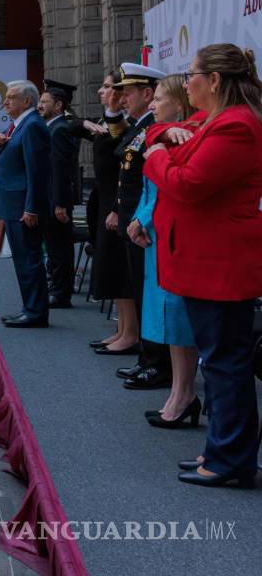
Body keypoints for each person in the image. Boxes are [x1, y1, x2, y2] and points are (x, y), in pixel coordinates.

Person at [144, 44, 262, 488]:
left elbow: (188, 184)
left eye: (191, 73)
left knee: (225, 363)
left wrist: (158, 157)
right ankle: (224, 451)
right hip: (205, 262)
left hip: (220, 265)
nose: (185, 80)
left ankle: (231, 460)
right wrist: (161, 142)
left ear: (214, 81)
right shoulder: (211, 122)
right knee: (220, 361)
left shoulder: (235, 126)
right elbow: (158, 132)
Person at [127, 74, 201, 428]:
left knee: (178, 317)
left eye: (159, 99)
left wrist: (142, 219)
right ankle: (179, 392)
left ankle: (184, 393)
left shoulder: (184, 136)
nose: (153, 105)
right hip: (155, 231)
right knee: (169, 319)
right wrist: (139, 218)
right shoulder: (163, 134)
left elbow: (165, 189)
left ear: (179, 103)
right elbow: (148, 187)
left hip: (167, 234)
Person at [109, 63, 171, 390]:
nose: (121, 99)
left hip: (145, 223)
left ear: (148, 94)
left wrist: (137, 218)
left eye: (127, 93)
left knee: (150, 295)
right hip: (136, 220)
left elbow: (152, 183)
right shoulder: (140, 127)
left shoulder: (156, 129)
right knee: (140, 290)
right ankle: (148, 358)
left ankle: (157, 362)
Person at [0, 80, 51, 328]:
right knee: (22, 260)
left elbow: (37, 172)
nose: (5, 102)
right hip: (12, 204)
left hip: (23, 207)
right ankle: (29, 308)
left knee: (29, 260)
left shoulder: (32, 125)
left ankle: (35, 312)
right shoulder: (18, 125)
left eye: (11, 97)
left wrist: (31, 207)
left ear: (26, 101)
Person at [83, 73, 140, 356]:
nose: (103, 91)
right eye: (106, 86)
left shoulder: (123, 123)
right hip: (104, 199)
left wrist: (117, 208)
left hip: (116, 204)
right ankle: (122, 329)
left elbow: (125, 169)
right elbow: (69, 124)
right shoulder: (105, 121)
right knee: (111, 269)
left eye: (109, 86)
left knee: (120, 271)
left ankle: (130, 333)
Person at [38, 80, 80, 308]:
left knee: (60, 248)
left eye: (45, 102)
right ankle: (55, 286)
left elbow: (61, 170)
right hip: (49, 198)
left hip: (57, 200)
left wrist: (60, 204)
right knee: (53, 247)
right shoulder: (51, 127)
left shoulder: (61, 129)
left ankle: (61, 293)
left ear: (59, 104)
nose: (40, 105)